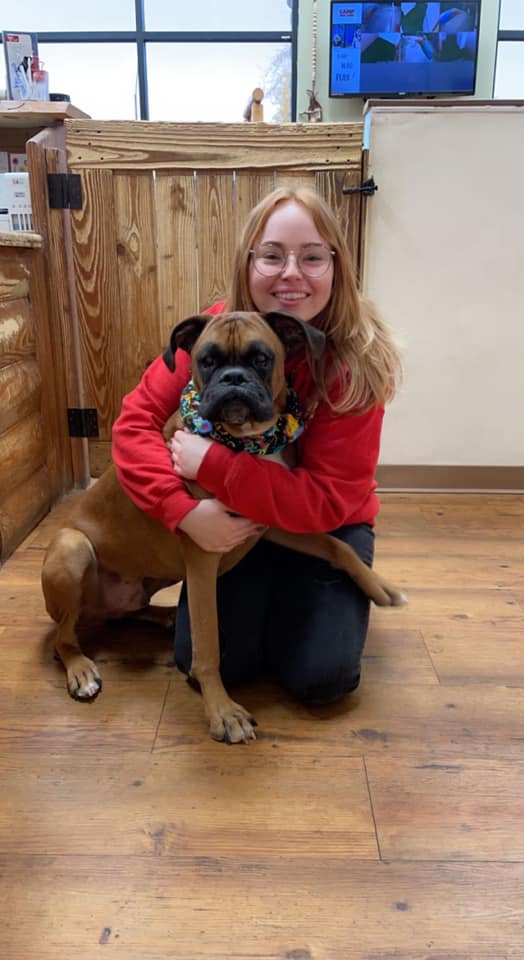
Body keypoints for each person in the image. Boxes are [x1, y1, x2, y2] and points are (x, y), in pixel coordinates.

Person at [111, 187, 402, 706]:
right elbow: (134, 423)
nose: (291, 273)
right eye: (272, 255)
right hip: (236, 521)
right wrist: (182, 510)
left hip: (324, 521)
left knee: (321, 677)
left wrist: (212, 463)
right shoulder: (216, 331)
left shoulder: (356, 366)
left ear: (336, 266)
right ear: (248, 264)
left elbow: (327, 501)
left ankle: (309, 606)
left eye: (311, 257)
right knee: (216, 663)